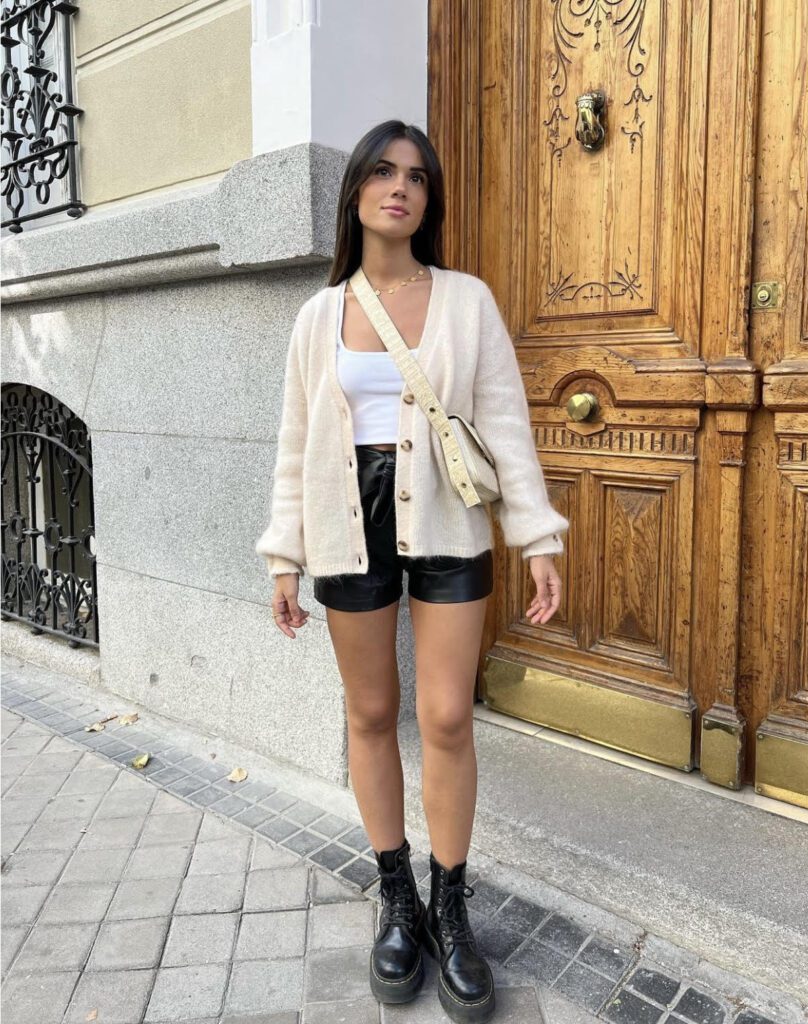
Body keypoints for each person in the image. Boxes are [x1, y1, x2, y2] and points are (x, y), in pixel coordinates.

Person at [255, 119, 569, 1024]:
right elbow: (292, 443)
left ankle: (450, 901)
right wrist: (284, 552)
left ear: (428, 200)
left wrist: (535, 534)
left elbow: (503, 422)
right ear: (354, 191)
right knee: (371, 711)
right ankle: (395, 894)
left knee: (442, 716)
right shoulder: (319, 316)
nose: (402, 187)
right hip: (345, 521)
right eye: (384, 172)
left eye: (418, 177)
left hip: (446, 518)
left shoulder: (466, 300)